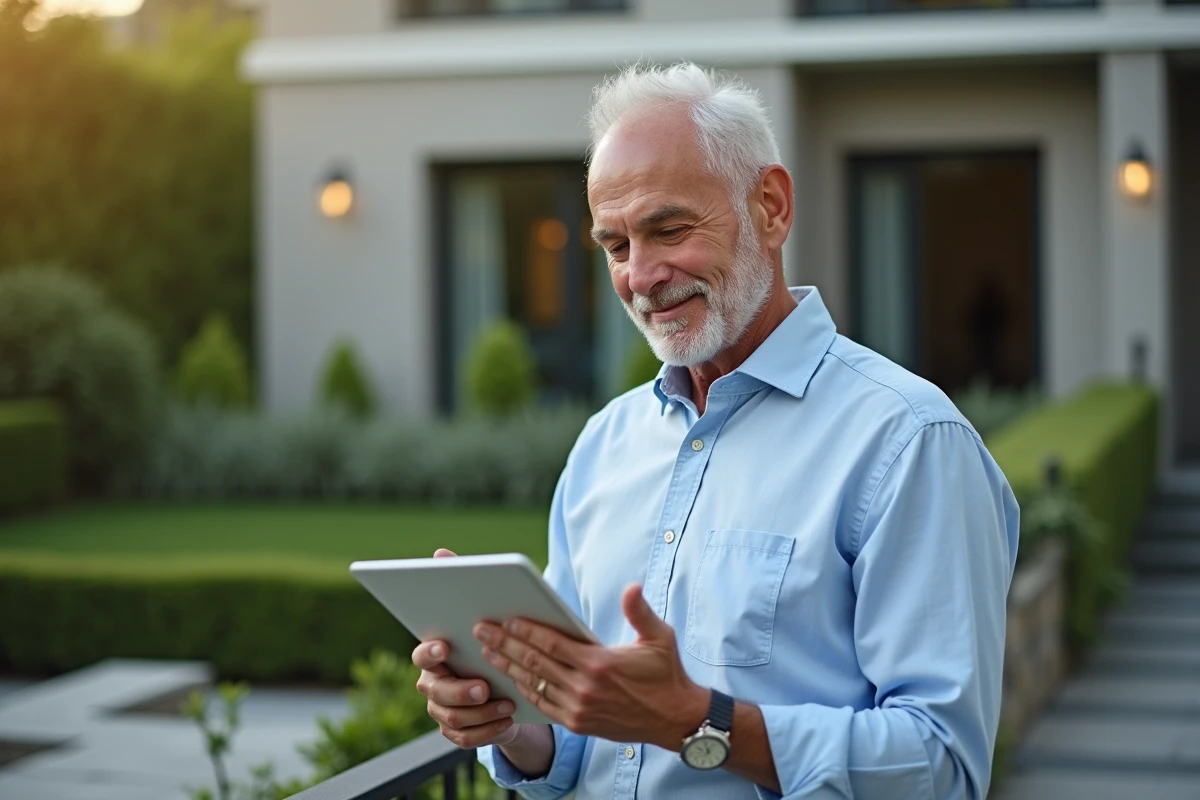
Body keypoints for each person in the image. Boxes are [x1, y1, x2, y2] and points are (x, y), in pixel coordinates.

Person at [413, 63, 1019, 799]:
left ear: (769, 206)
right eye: (615, 246)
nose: (641, 275)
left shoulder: (910, 442)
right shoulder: (604, 445)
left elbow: (942, 767)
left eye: (668, 229)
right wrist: (509, 721)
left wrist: (699, 722)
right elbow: (575, 745)